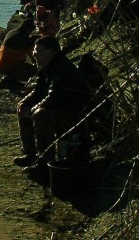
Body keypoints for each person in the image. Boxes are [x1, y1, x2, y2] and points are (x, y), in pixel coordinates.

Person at [13, 36, 93, 180]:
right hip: (60, 109)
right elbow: (38, 91)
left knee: (40, 115)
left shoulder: (61, 67)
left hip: (76, 116)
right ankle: (31, 154)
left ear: (50, 51)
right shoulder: (47, 65)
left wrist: (36, 108)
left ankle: (44, 163)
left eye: (37, 50)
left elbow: (55, 96)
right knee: (24, 107)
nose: (34, 54)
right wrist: (25, 102)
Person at [0, 18, 37, 87]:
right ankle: (11, 81)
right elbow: (33, 56)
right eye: (31, 31)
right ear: (28, 29)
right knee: (33, 70)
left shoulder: (12, 32)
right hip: (6, 66)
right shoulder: (23, 37)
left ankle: (10, 79)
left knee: (19, 63)